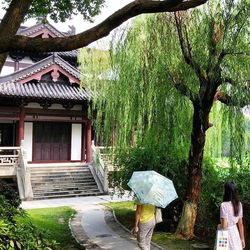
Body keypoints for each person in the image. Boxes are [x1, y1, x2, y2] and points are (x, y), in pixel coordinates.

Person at [219, 181, 245, 249]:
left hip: (225, 234)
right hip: (235, 232)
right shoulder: (239, 204)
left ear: (226, 191)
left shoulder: (223, 205)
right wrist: (242, 239)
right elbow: (241, 224)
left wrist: (219, 226)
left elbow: (224, 226)